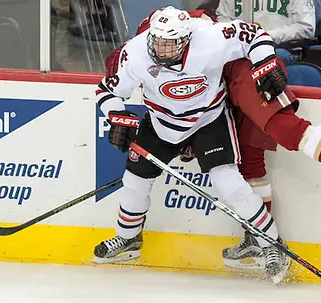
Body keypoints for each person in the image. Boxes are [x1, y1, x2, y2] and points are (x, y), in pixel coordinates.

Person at [93, 6, 292, 284]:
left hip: (207, 120)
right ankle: (128, 239)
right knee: (135, 181)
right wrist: (118, 116)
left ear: (185, 39)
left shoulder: (209, 38)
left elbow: (254, 34)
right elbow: (107, 90)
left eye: (168, 43)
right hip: (160, 122)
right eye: (157, 40)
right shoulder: (136, 51)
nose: (159, 48)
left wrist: (265, 61)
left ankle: (271, 244)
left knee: (228, 183)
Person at [216, 0, 316, 64]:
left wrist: (266, 36)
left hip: (279, 48)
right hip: (238, 49)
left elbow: (306, 27)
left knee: (275, 57)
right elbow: (223, 22)